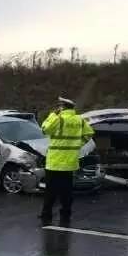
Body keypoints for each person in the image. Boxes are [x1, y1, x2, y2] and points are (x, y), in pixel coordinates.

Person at [40, 96, 94, 225]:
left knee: (50, 191)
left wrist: (53, 115)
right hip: (70, 162)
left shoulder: (57, 118)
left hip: (55, 162)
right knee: (67, 190)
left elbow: (44, 129)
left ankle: (46, 214)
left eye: (59, 106)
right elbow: (89, 133)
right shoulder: (79, 120)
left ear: (62, 107)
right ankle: (66, 213)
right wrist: (77, 145)